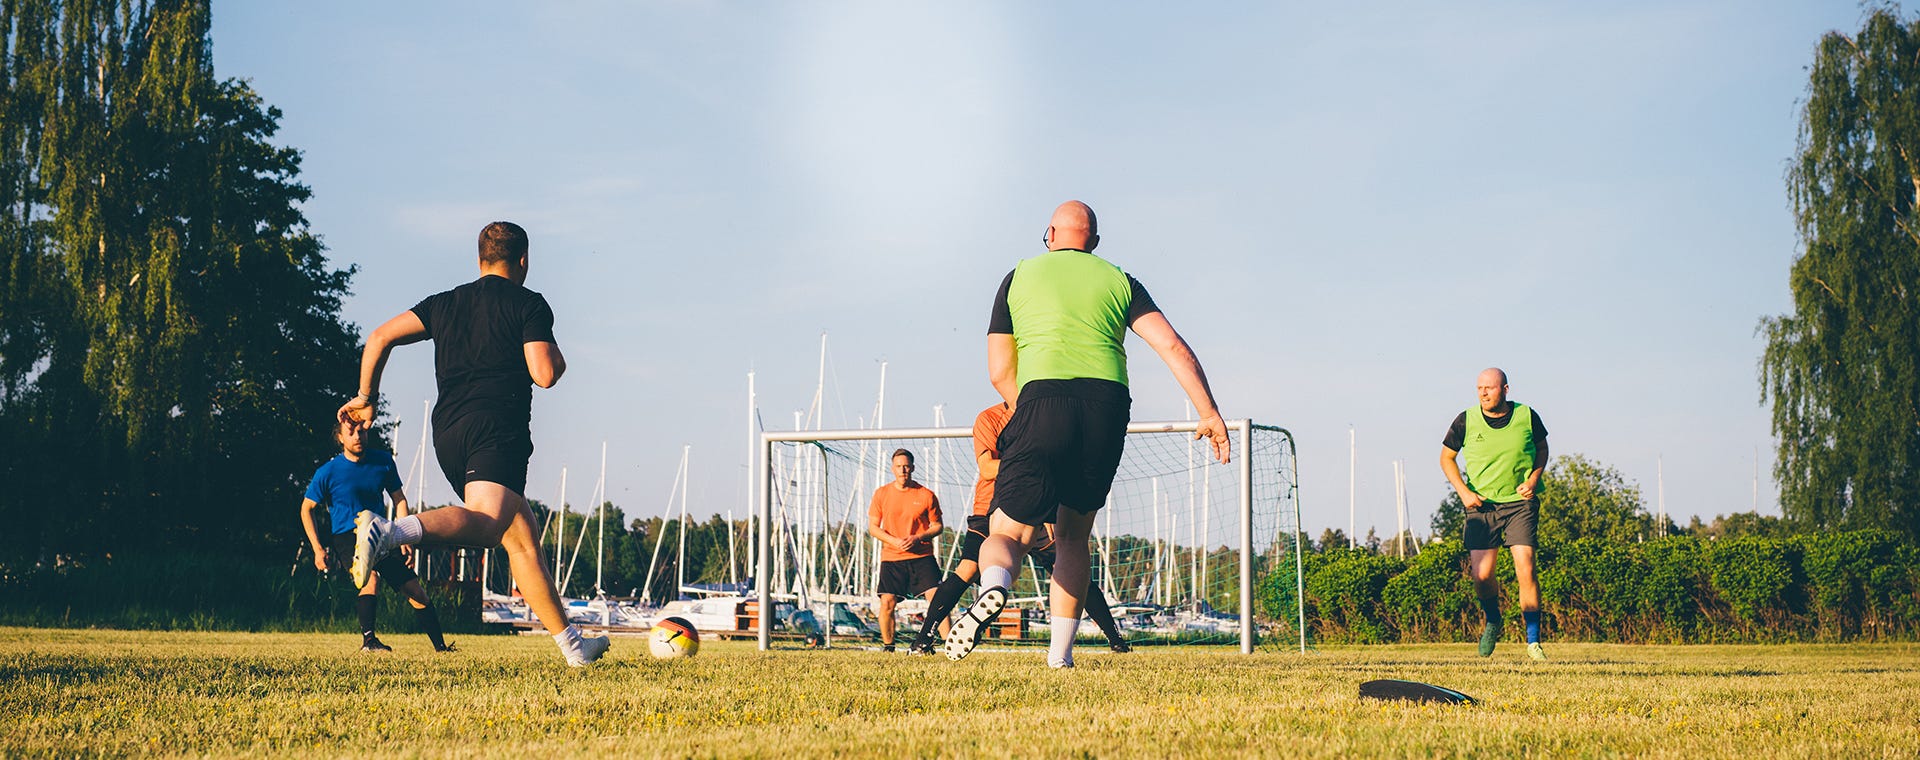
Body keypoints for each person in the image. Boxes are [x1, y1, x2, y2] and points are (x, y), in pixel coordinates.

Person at [946, 200, 1229, 668]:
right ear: (1093, 243)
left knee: (1008, 532)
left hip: (1041, 398)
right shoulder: (1119, 279)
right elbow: (1171, 345)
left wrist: (1030, 407)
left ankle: (995, 587)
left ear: (1050, 235)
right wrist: (1208, 411)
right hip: (1107, 405)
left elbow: (999, 371)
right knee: (1074, 537)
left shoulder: (1018, 277)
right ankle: (1061, 657)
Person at [337, 221, 609, 667]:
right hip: (495, 429)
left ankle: (573, 647)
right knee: (487, 524)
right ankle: (388, 533)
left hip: (447, 432)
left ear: (479, 260)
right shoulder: (529, 304)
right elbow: (544, 373)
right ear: (523, 260)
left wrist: (367, 398)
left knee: (521, 536)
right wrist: (558, 358)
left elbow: (379, 337)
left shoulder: (445, 302)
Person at [906, 402, 1130, 656]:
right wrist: (1028, 465)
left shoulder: (1048, 414)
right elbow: (987, 467)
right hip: (990, 509)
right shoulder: (990, 418)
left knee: (1072, 569)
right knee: (967, 570)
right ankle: (923, 640)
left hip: (1042, 509)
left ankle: (1117, 641)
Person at [299, 420, 453, 653]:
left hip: (382, 533)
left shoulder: (382, 462)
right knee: (370, 578)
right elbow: (306, 509)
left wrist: (404, 537)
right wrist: (318, 549)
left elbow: (399, 499)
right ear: (340, 437)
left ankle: (441, 648)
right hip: (347, 537)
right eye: (351, 432)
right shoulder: (327, 472)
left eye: (362, 431)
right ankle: (369, 641)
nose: (358, 436)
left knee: (415, 591)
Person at [1440, 367, 1550, 661]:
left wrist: (1533, 479)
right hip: (1481, 505)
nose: (1483, 393)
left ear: (1505, 390)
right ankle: (1493, 620)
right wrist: (1464, 493)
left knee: (1525, 566)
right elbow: (1446, 458)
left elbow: (1542, 448)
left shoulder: (1527, 415)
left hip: (1519, 502)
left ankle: (1533, 642)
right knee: (1482, 574)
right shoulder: (1466, 420)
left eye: (1489, 388)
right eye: (1479, 389)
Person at [868, 448, 944, 652]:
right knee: (887, 602)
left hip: (922, 556)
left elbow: (937, 526)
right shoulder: (881, 494)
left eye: (906, 466)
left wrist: (919, 537)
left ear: (913, 468)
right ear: (893, 469)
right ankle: (888, 647)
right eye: (899, 466)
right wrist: (894, 541)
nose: (903, 470)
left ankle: (949, 646)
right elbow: (873, 528)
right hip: (892, 557)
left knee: (939, 599)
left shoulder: (926, 495)